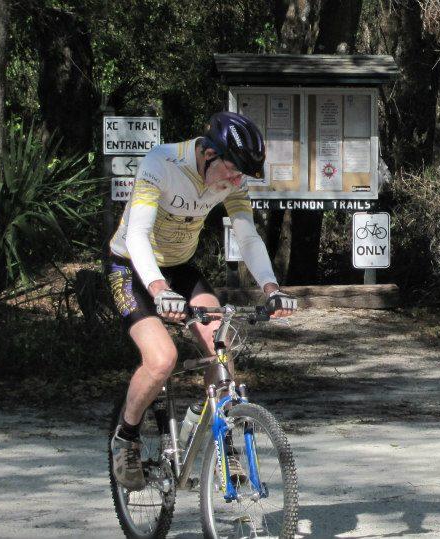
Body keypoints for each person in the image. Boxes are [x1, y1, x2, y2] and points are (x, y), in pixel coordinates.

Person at [106, 111, 297, 491]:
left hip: (179, 268)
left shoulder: (231, 180)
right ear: (208, 153)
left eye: (243, 173)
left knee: (220, 346)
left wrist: (271, 287)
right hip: (130, 267)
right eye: (232, 169)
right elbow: (139, 235)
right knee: (162, 359)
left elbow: (248, 239)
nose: (236, 180)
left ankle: (214, 436)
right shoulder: (161, 163)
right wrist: (159, 290)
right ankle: (125, 438)